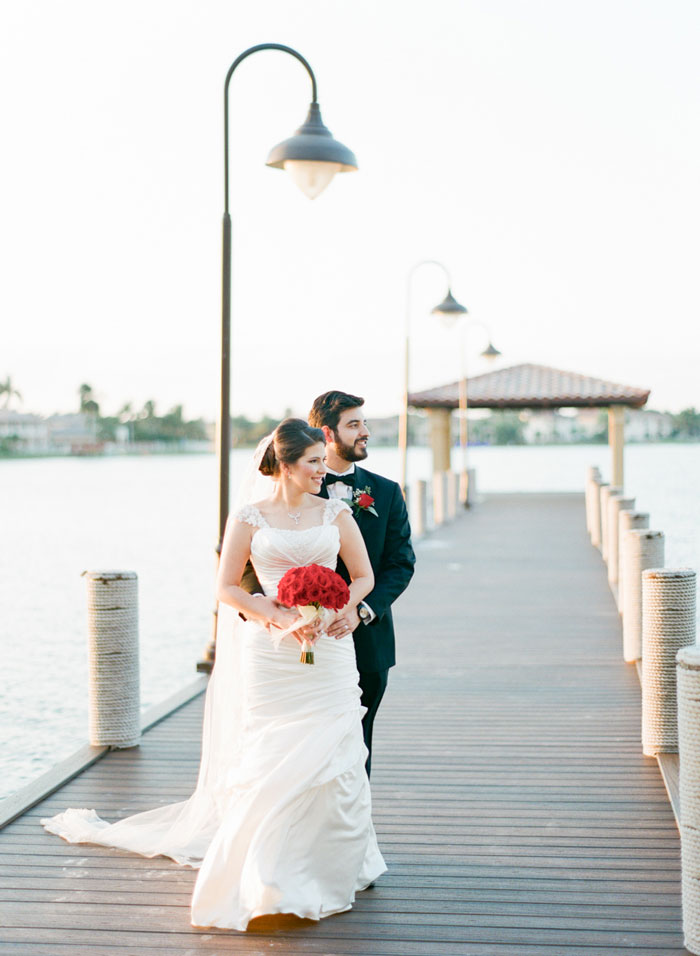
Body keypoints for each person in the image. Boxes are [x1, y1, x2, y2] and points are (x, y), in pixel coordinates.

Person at [41, 418, 386, 931]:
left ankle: (331, 863)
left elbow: (362, 576)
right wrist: (282, 616)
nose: (322, 470)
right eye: (312, 462)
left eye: (321, 461)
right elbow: (228, 588)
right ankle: (268, 875)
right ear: (286, 465)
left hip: (331, 652)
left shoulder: (335, 512)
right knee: (272, 756)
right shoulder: (249, 516)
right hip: (271, 652)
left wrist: (343, 609)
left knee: (335, 749)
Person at [308, 391, 416, 777]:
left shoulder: (386, 492)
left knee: (360, 739)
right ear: (328, 432)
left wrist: (361, 611)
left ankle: (354, 831)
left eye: (364, 423)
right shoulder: (299, 490)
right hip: (307, 640)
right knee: (309, 738)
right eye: (354, 424)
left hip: (369, 641)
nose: (365, 432)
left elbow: (401, 563)